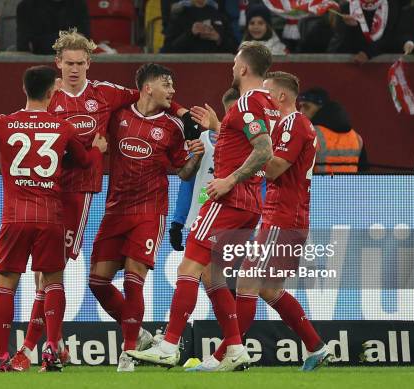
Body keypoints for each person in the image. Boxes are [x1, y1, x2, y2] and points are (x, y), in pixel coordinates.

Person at [8, 29, 189, 371]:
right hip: (41, 192)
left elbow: (147, 92)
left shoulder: (105, 94)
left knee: (50, 274)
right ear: (57, 63)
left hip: (77, 195)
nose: (74, 69)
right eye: (68, 63)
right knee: (43, 276)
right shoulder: (49, 97)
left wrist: (181, 112)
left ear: (89, 63)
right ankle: (55, 345)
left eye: (80, 63)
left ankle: (35, 349)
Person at [127, 41, 279, 371]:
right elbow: (249, 142)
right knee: (213, 275)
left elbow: (264, 148)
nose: (231, 66)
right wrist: (218, 128)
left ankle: (168, 346)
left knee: (188, 269)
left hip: (228, 200)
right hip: (249, 203)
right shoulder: (266, 103)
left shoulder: (248, 101)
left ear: (243, 68)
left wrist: (229, 180)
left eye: (234, 60)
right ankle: (236, 349)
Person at [0, 65, 107, 372]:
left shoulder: (3, 123)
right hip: (50, 217)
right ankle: (50, 350)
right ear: (52, 92)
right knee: (52, 283)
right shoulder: (63, 128)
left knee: (5, 285)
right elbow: (86, 162)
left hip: (15, 217)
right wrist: (99, 149)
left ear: (25, 90)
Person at [198, 71, 330, 372]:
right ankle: (316, 347)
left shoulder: (293, 124)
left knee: (248, 280)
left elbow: (274, 169)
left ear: (281, 97)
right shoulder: (289, 125)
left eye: (267, 92)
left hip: (283, 216)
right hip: (287, 215)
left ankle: (225, 356)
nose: (263, 97)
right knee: (269, 288)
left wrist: (246, 148)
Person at [91, 63, 205, 372]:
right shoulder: (119, 115)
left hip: (149, 211)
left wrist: (195, 157)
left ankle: (128, 351)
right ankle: (139, 335)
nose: (172, 91)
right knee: (97, 282)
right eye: (167, 84)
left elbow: (182, 172)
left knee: (133, 279)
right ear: (148, 87)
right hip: (114, 209)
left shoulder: (172, 126)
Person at [169, 88, 239, 251]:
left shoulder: (256, 147)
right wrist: (177, 222)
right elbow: (188, 184)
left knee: (225, 272)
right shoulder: (202, 140)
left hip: (236, 221)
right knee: (197, 270)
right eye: (232, 111)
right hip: (202, 217)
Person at [297, 87, 367, 173]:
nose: (301, 112)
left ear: (321, 108)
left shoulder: (309, 135)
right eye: (300, 107)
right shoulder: (356, 138)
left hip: (319, 186)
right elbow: (364, 176)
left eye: (307, 107)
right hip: (350, 186)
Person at [328, 0, 401, 64]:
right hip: (350, 66)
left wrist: (368, 53)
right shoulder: (347, 6)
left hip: (380, 67)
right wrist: (350, 27)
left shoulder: (391, 4)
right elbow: (339, 47)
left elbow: (391, 37)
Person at [162, 0, 238, 53]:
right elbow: (168, 51)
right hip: (188, 69)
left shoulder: (220, 15)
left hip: (215, 68)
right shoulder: (179, 16)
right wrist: (191, 33)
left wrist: (219, 39)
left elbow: (235, 49)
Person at [16, 0, 90, 54]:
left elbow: (83, 39)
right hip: (38, 63)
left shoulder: (78, 5)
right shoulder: (26, 6)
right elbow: (23, 46)